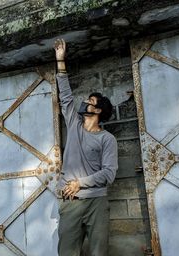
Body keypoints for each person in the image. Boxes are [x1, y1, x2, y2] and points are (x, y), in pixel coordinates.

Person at [54, 39, 118, 256]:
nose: (85, 103)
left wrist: (79, 183)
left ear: (98, 111)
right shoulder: (74, 123)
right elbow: (65, 96)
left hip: (96, 203)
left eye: (90, 101)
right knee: (66, 252)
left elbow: (109, 173)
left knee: (99, 252)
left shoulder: (107, 139)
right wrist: (60, 61)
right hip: (70, 203)